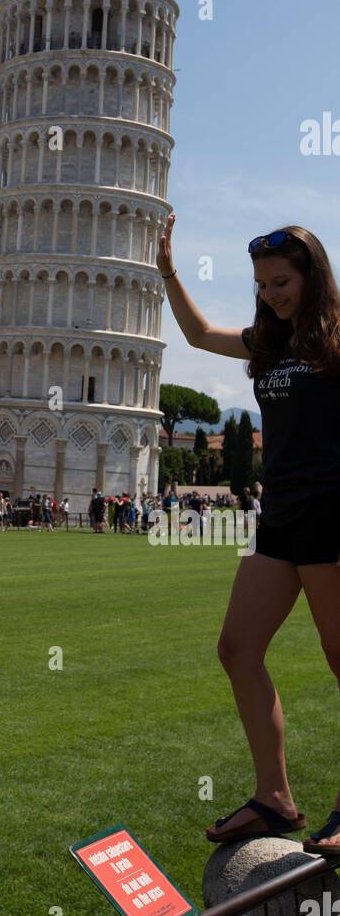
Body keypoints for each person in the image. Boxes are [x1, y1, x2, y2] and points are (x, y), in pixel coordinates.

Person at [158, 214, 340, 853]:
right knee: (236, 650)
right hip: (281, 516)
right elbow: (199, 333)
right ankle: (275, 798)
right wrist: (168, 271)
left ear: (313, 278)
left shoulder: (338, 341)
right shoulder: (266, 343)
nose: (271, 294)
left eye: (282, 281)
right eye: (262, 284)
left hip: (331, 513)